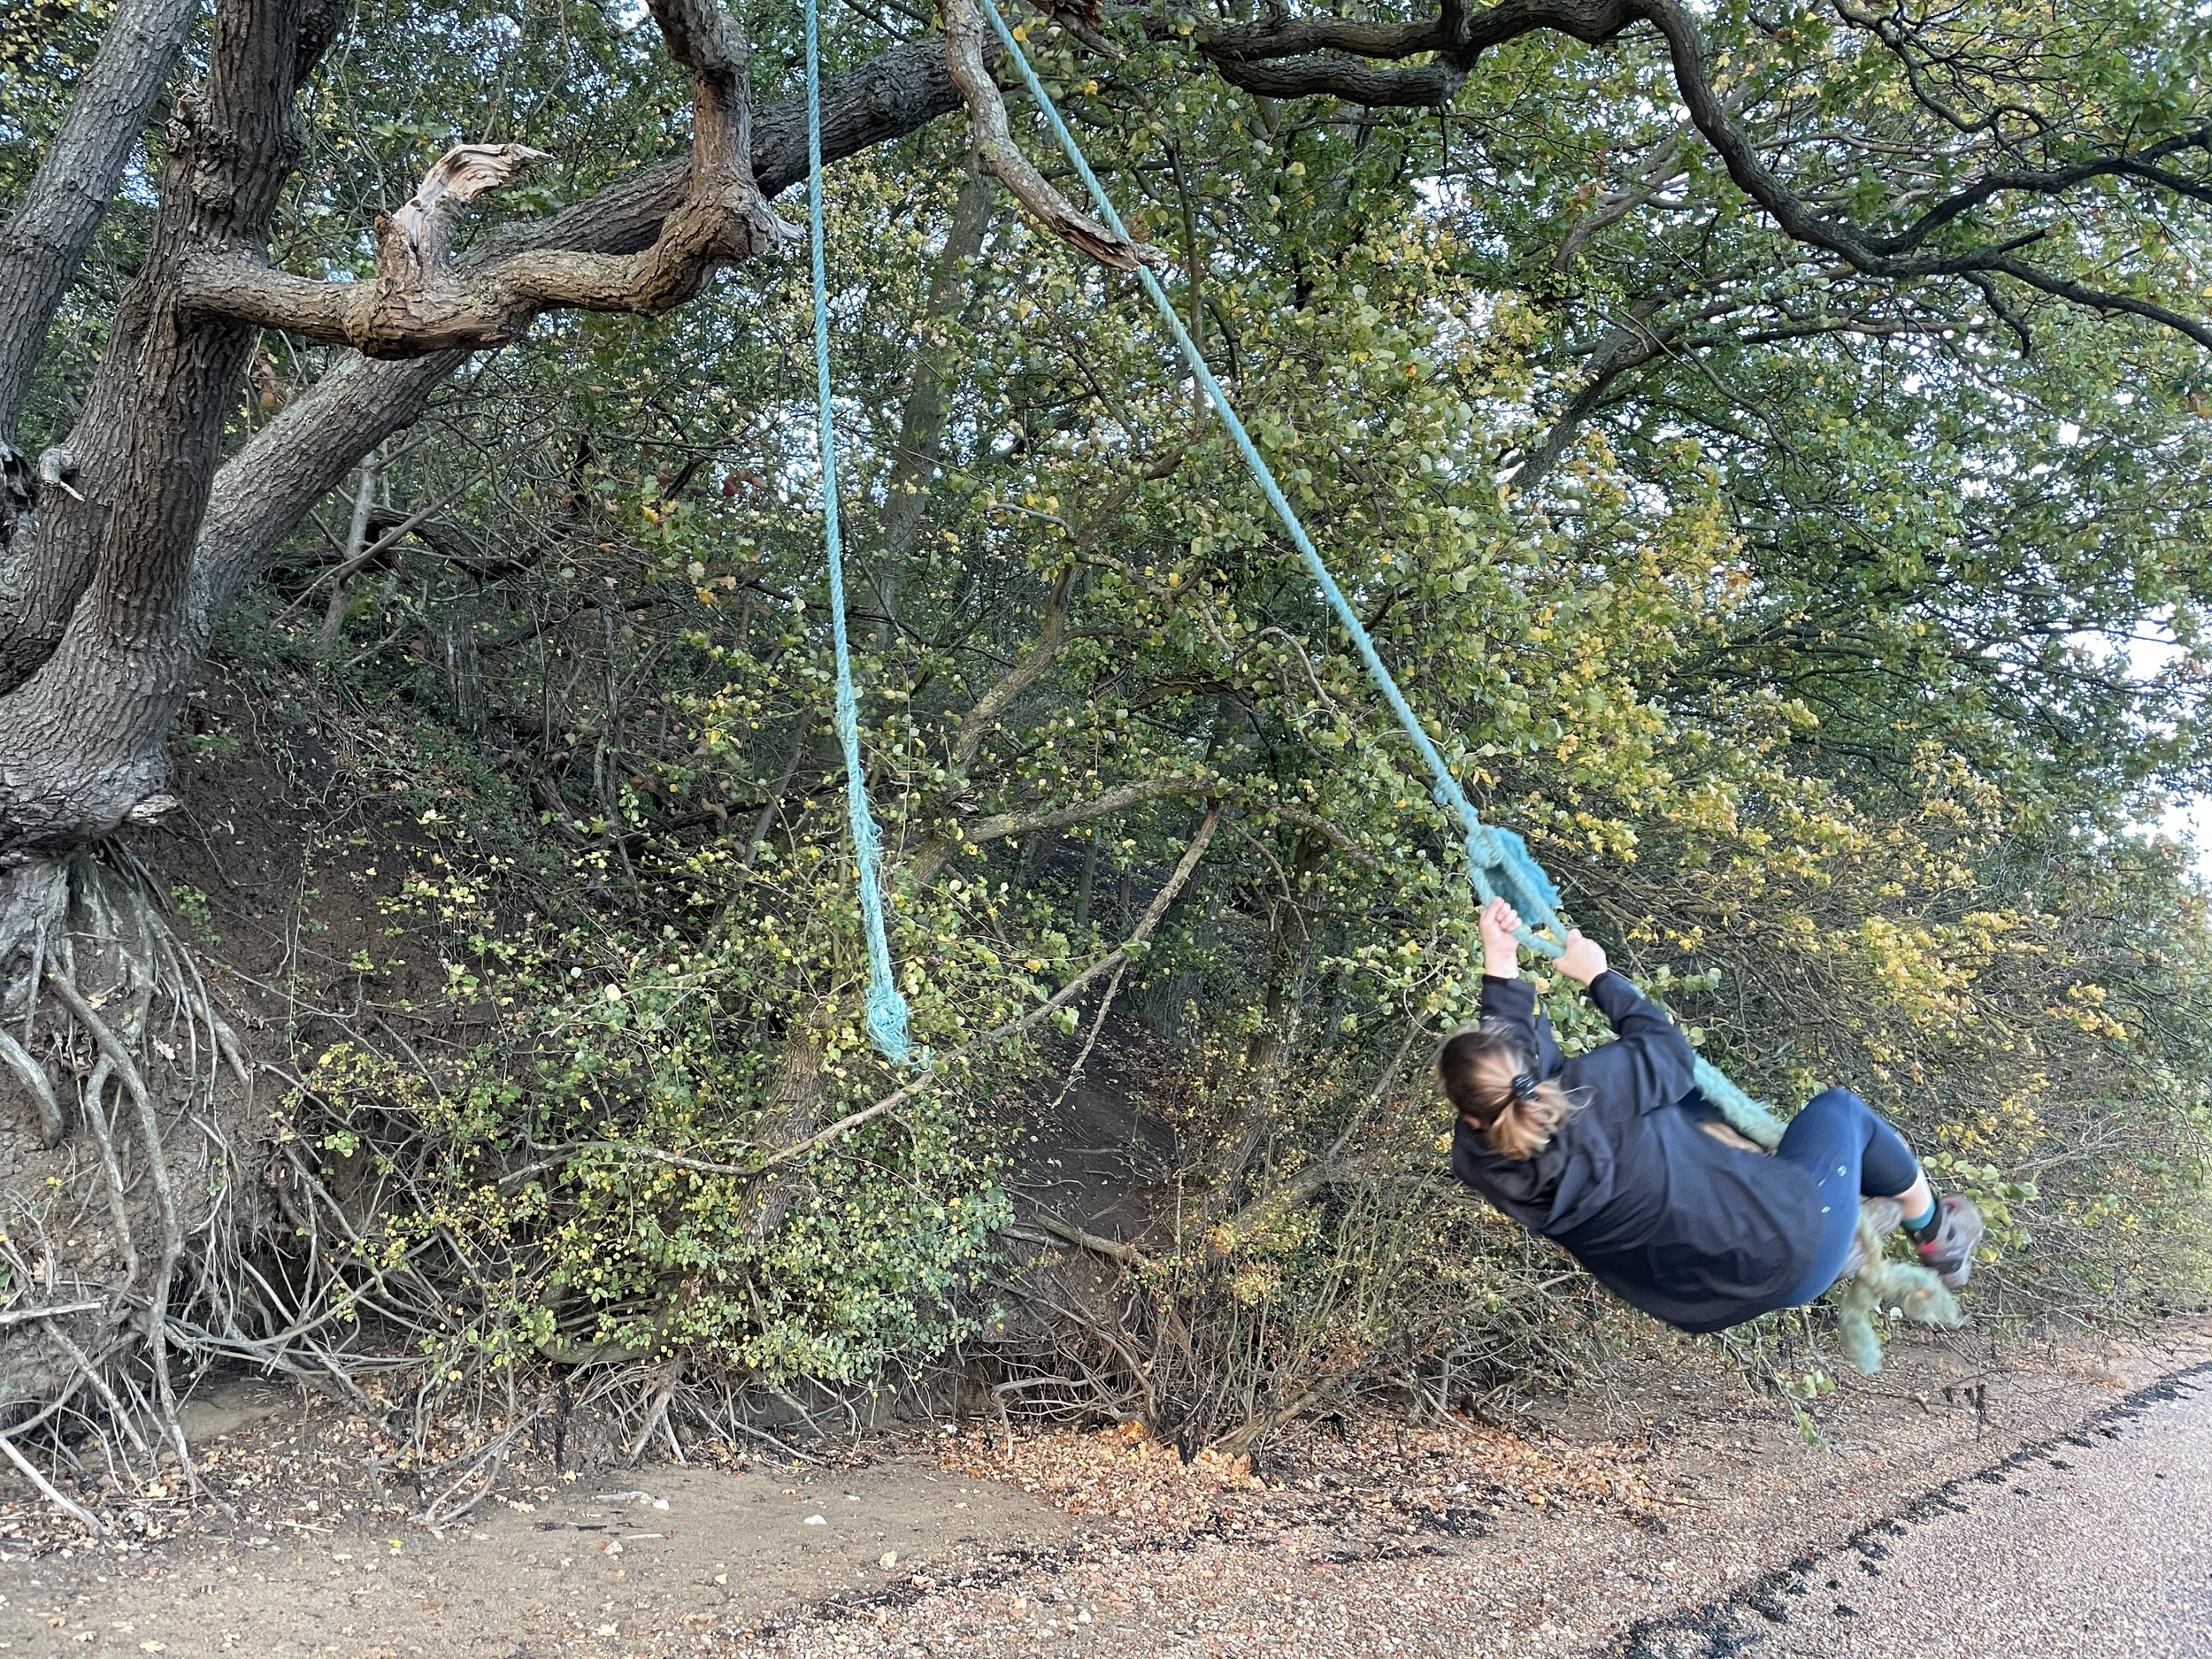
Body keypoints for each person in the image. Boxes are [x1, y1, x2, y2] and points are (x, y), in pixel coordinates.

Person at [1437, 896, 1983, 1334]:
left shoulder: (1482, 1161)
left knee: (1690, 1121)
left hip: (1712, 1298)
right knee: (1840, 1110)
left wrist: (1500, 958)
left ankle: (1840, 1236)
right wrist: (1599, 977)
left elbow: (1511, 1081)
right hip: (1794, 1242)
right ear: (1520, 1070)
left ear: (1470, 1119)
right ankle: (1935, 1230)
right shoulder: (1596, 1095)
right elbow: (1669, 1052)